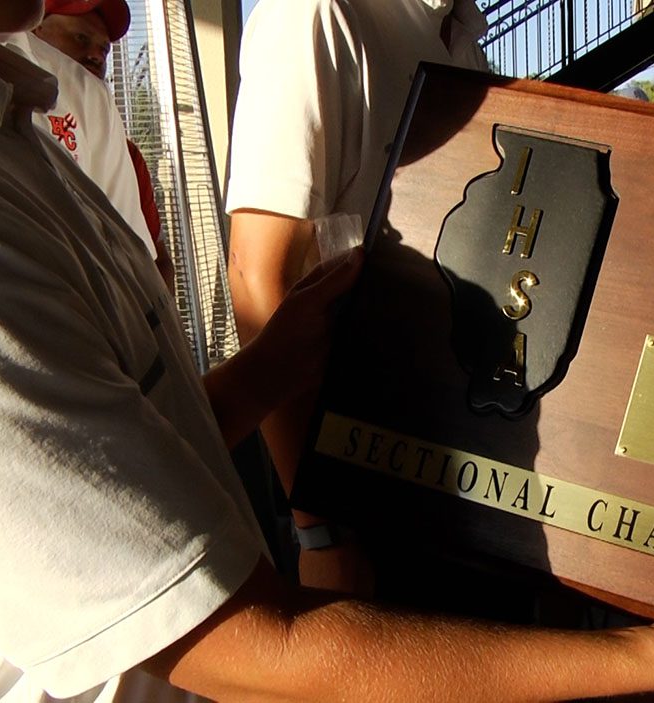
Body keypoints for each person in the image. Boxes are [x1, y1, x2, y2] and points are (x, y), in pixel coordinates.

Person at [0, 3, 654, 700]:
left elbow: (131, 436)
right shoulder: (319, 17)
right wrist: (321, 522)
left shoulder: (20, 128)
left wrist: (269, 370)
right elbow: (248, 644)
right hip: (359, 503)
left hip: (465, 477)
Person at [224, 0, 493, 586]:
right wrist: (319, 529)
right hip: (354, 488)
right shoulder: (316, 13)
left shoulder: (465, 36)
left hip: (453, 464)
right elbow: (256, 273)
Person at [0, 0, 174, 291]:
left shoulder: (128, 155)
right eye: (81, 38)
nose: (96, 55)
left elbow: (152, 261)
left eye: (104, 49)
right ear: (34, 32)